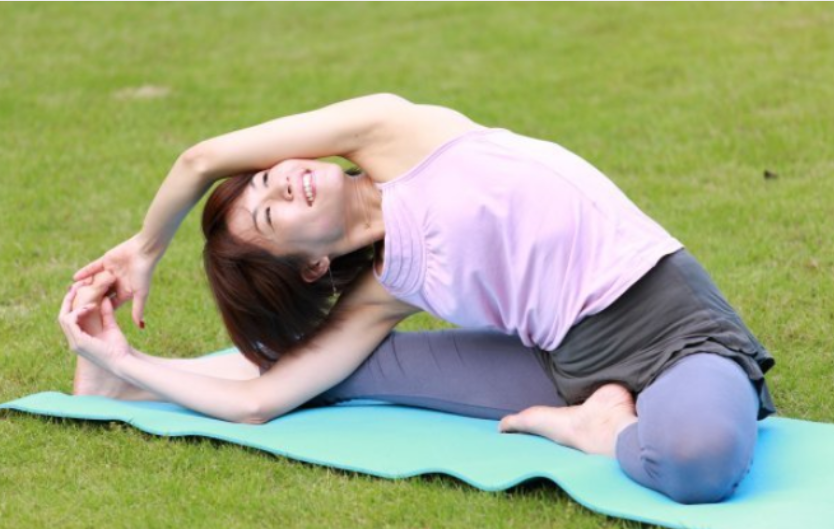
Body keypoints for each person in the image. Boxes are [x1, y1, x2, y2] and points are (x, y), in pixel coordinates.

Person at [60, 93, 775, 504]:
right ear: (311, 267)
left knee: (698, 459)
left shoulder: (397, 135)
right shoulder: (387, 288)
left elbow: (202, 159)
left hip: (674, 328)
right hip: (561, 362)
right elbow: (261, 401)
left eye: (266, 179)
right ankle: (122, 388)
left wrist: (145, 247)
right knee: (333, 372)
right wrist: (124, 357)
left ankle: (598, 430)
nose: (282, 185)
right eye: (270, 215)